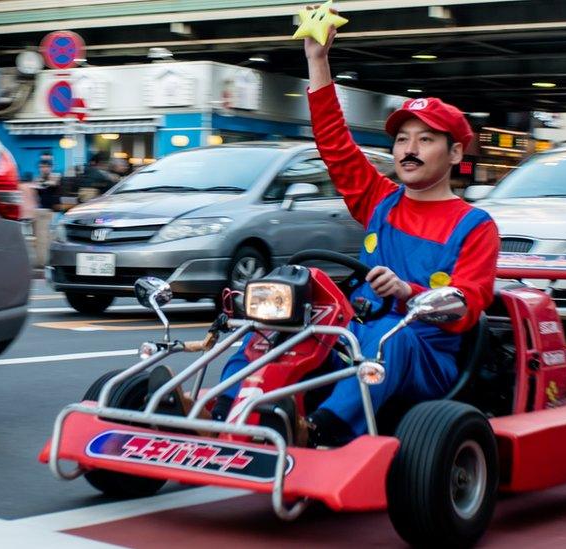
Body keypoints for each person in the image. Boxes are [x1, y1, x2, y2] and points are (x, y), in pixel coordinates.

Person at [205, 18, 499, 446]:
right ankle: (222, 410)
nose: (409, 149)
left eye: (425, 140)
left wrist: (407, 291)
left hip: (427, 353)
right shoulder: (380, 199)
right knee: (279, 326)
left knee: (386, 338)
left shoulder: (475, 225)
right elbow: (334, 143)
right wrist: (317, 58)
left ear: (455, 152)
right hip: (354, 331)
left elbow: (468, 304)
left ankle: (320, 429)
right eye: (402, 139)